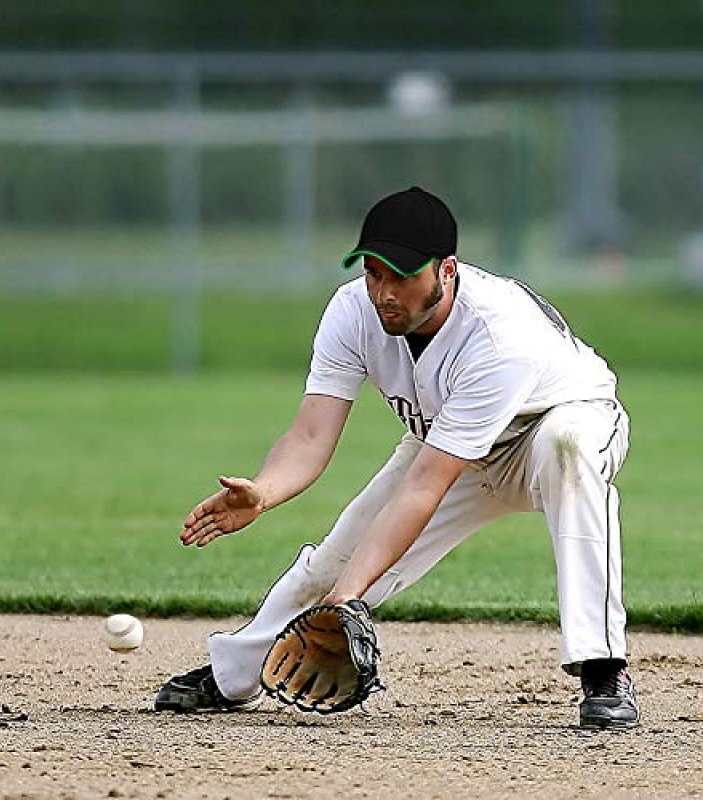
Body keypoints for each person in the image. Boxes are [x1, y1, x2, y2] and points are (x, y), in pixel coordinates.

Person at [155, 186, 639, 728]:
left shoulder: (499, 337)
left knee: (566, 448)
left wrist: (348, 601)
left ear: (447, 270)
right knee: (334, 563)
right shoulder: (352, 312)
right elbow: (312, 435)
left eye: (402, 275)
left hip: (550, 426)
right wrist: (264, 491)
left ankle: (603, 665)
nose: (385, 292)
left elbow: (424, 488)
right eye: (374, 273)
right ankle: (236, 674)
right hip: (445, 443)